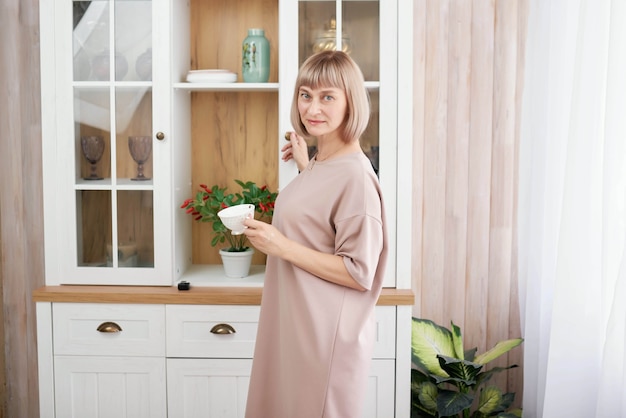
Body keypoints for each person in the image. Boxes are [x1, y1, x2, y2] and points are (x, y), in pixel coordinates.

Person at [242, 50, 388, 418]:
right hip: (297, 328)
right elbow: (321, 221)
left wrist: (281, 246)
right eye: (305, 95)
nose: (312, 108)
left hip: (323, 341)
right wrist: (308, 167)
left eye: (327, 97)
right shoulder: (325, 163)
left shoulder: (355, 177)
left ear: (351, 102)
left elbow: (359, 272)